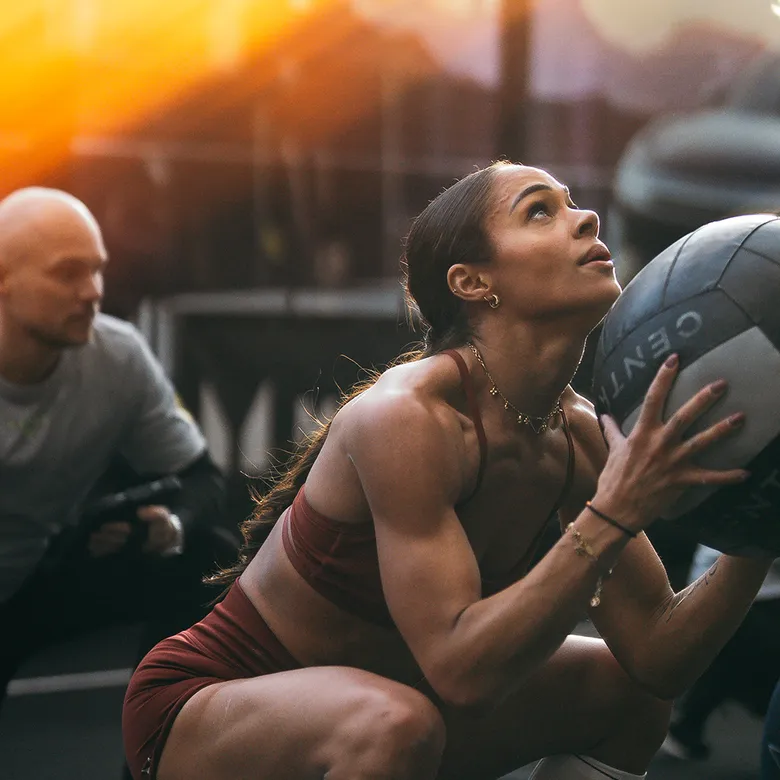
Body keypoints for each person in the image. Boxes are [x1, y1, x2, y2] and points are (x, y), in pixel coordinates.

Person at [123, 161, 774, 780]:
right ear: (472, 283)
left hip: (395, 704)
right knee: (393, 725)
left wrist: (761, 522)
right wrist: (612, 516)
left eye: (574, 204)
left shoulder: (574, 433)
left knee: (628, 695)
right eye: (541, 212)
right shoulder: (409, 419)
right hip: (210, 703)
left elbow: (659, 656)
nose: (588, 220)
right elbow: (462, 670)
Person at [0, 188, 236, 724]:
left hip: (42, 573)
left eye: (97, 271)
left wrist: (170, 524)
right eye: (67, 274)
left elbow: (201, 479)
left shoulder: (117, 355)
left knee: (204, 553)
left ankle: (152, 753)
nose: (92, 292)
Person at [661, 545, 780, 761]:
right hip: (745, 597)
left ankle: (687, 727)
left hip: (751, 596)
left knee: (727, 669)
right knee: (741, 668)